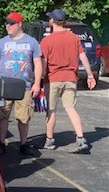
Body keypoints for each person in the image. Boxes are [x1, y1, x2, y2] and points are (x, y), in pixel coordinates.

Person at [40, 9, 96, 153]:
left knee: (51, 110)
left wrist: (40, 79)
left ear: (52, 21)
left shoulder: (47, 40)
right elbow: (83, 57)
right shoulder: (74, 38)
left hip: (53, 79)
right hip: (70, 78)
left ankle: (49, 141)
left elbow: (44, 62)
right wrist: (90, 75)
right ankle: (81, 139)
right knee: (70, 108)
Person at [0, 12, 42, 156]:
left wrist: (37, 83)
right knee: (3, 116)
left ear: (20, 24)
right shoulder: (2, 42)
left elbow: (38, 63)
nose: (8, 26)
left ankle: (23, 144)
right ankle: (1, 143)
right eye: (6, 23)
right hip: (4, 86)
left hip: (24, 86)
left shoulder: (31, 42)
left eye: (11, 23)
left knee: (24, 117)